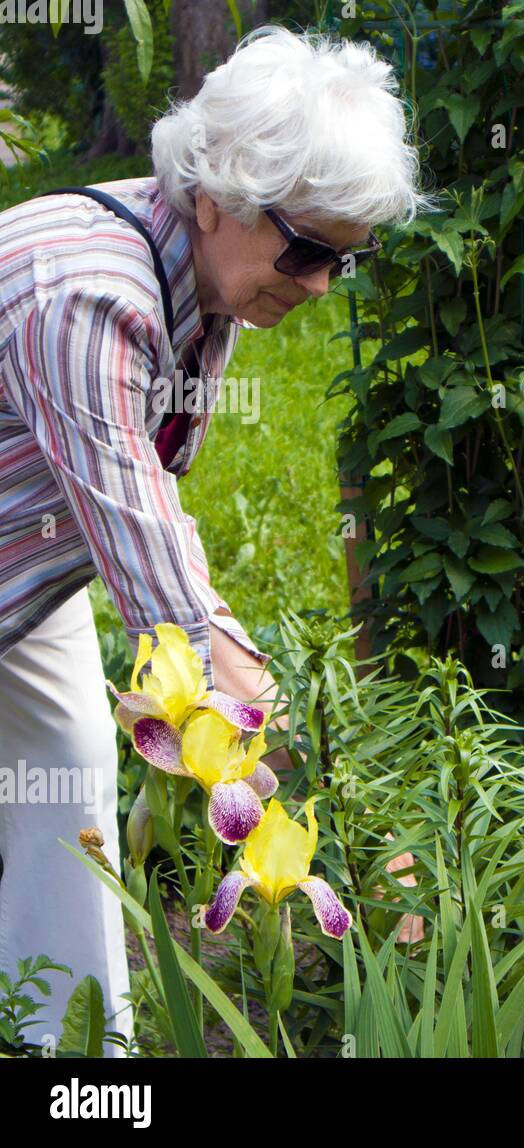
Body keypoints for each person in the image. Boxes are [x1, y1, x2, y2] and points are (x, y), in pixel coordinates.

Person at [0, 25, 428, 1054]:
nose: (323, 283)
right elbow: (155, 577)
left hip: (28, 574)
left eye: (347, 259)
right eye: (309, 249)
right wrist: (347, 817)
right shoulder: (89, 299)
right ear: (216, 192)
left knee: (65, 775)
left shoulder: (203, 276)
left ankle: (72, 1059)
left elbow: (147, 506)